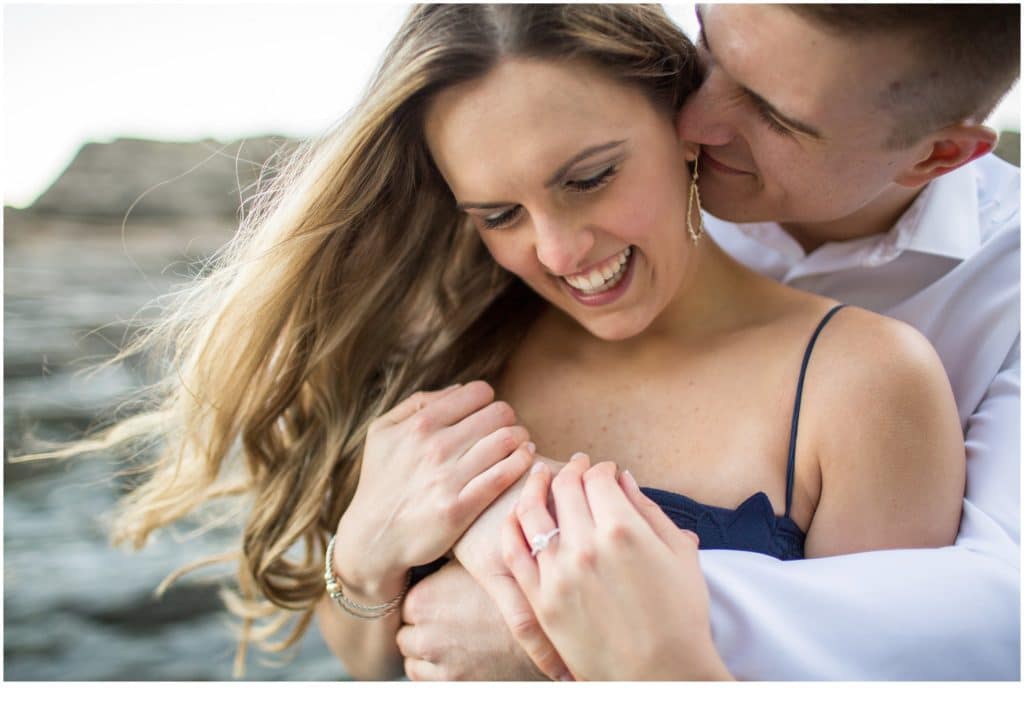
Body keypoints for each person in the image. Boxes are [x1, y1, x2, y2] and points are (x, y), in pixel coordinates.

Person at [399, 3, 1021, 681]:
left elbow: (988, 613)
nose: (691, 118)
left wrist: (555, 612)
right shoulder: (537, 267)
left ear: (938, 155)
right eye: (709, 43)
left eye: (772, 112)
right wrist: (361, 570)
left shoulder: (935, 335)